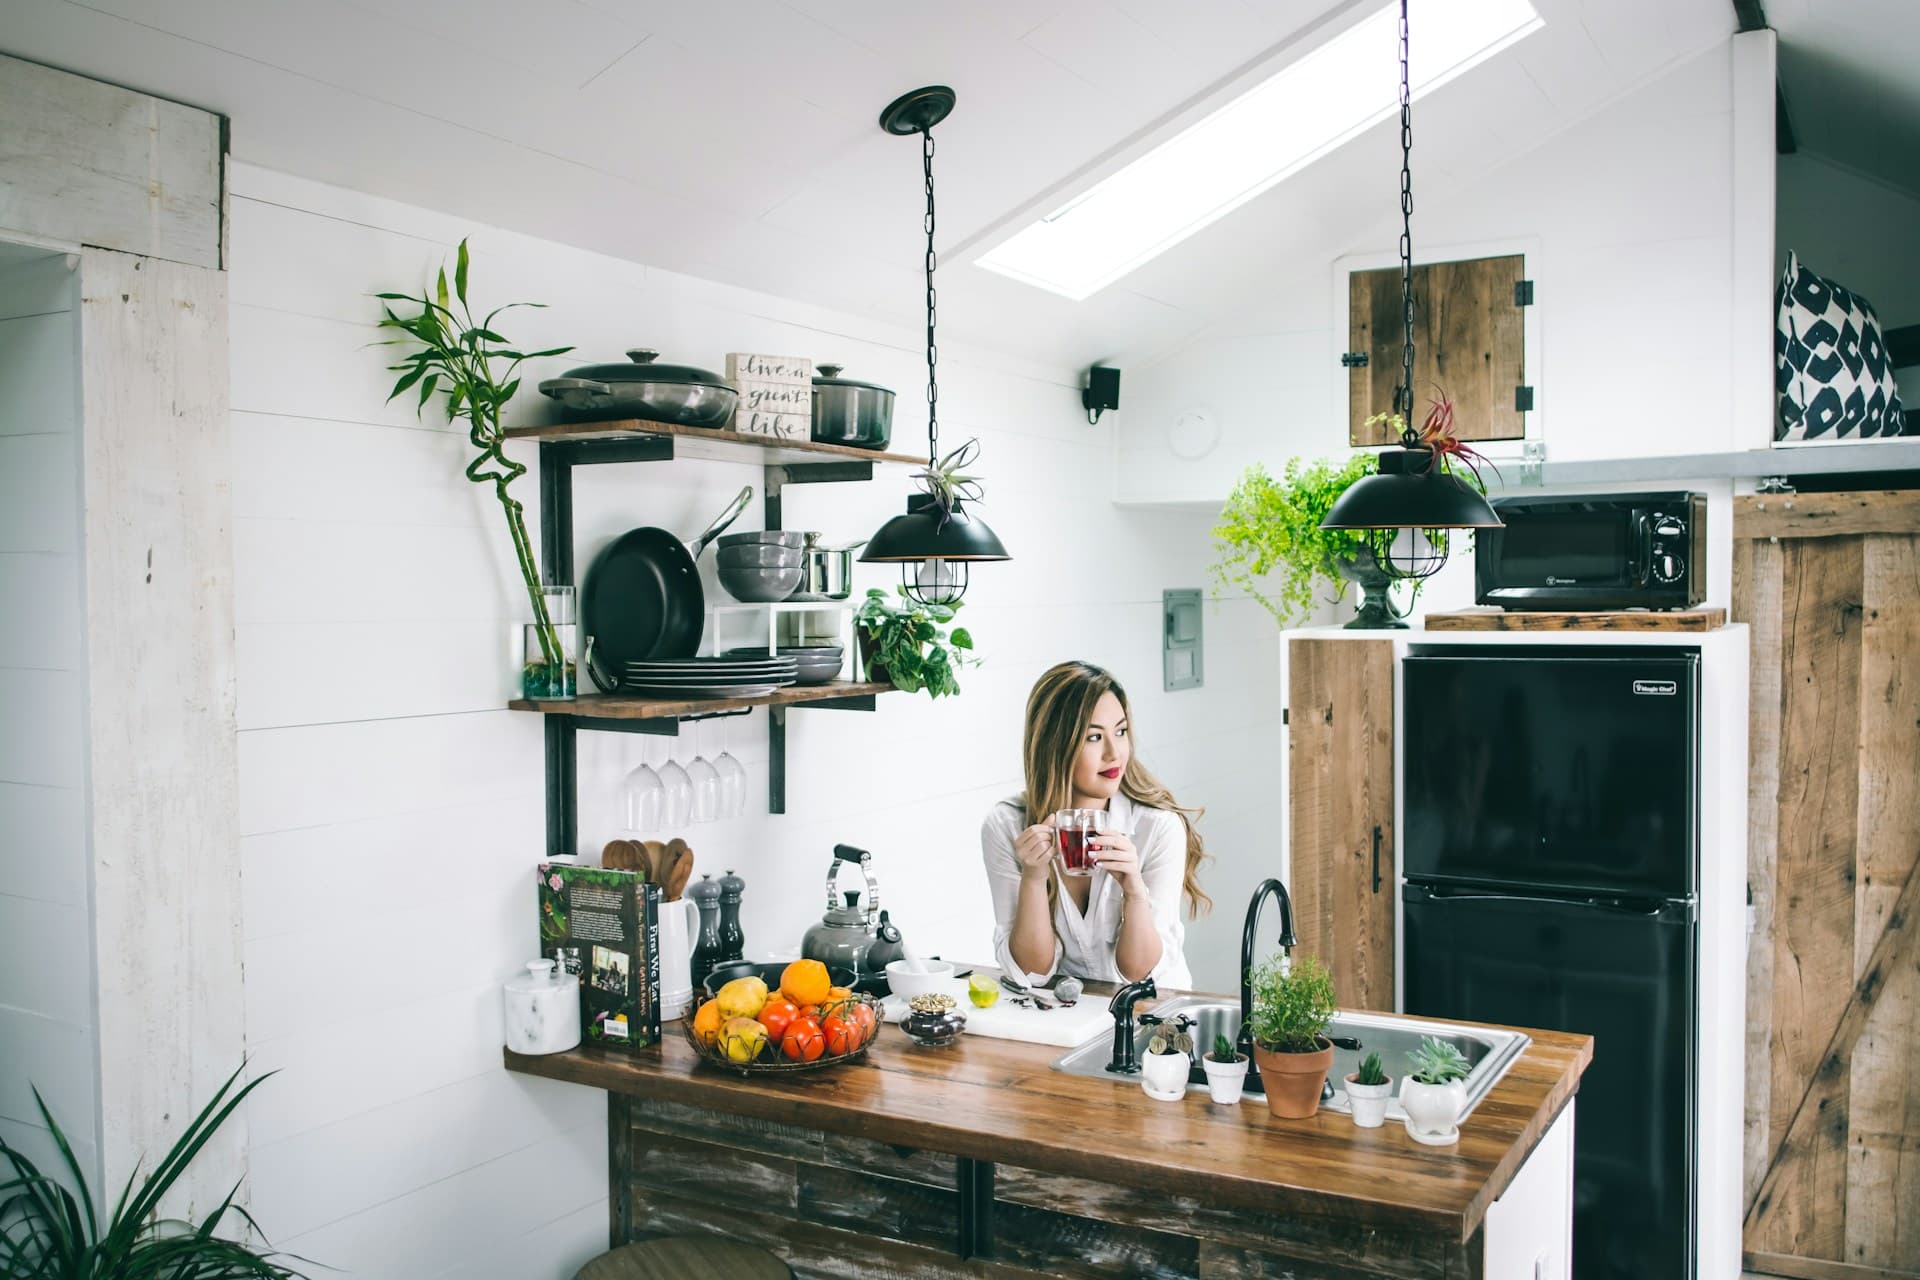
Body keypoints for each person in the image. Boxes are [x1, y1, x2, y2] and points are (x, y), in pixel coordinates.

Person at [981, 661, 1209, 990]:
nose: (1114, 752)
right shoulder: (1007, 826)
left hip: (1157, 1020)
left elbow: (1139, 974)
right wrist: (1033, 878)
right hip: (1073, 1018)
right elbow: (1032, 972)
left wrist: (1133, 890)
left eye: (1120, 731)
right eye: (1094, 737)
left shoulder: (1157, 828)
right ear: (1055, 745)